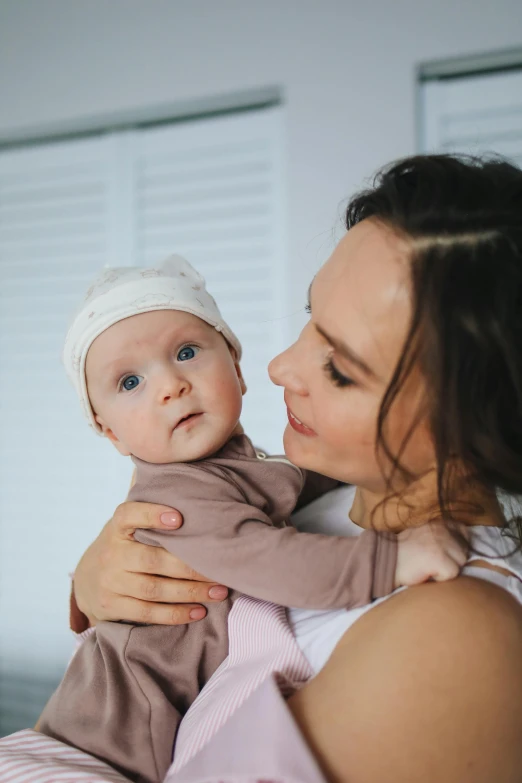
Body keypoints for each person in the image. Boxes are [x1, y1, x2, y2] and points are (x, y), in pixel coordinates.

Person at [5, 153, 519, 783]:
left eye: (341, 367)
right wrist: (92, 585)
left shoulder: (455, 635)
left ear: (474, 417)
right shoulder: (324, 493)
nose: (280, 366)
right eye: (310, 319)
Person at [37, 257, 461, 783]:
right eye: (129, 382)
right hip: (98, 746)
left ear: (236, 367)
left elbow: (293, 482)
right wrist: (392, 560)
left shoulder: (241, 465)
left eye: (187, 353)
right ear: (112, 435)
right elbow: (273, 561)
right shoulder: (179, 497)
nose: (170, 385)